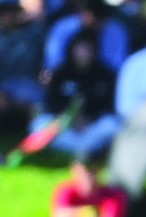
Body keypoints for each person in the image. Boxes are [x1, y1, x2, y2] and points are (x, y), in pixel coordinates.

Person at [35, 28, 119, 158]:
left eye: (89, 49)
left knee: (111, 125)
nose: (85, 53)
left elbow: (109, 105)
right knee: (38, 124)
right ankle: (81, 150)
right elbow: (52, 102)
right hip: (65, 125)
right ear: (72, 49)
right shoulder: (60, 72)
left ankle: (84, 149)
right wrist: (69, 119)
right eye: (81, 48)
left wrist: (89, 119)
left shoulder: (105, 74)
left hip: (91, 127)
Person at [43, 0, 130, 73]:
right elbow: (53, 63)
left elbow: (116, 66)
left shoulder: (116, 31)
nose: (92, 22)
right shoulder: (63, 27)